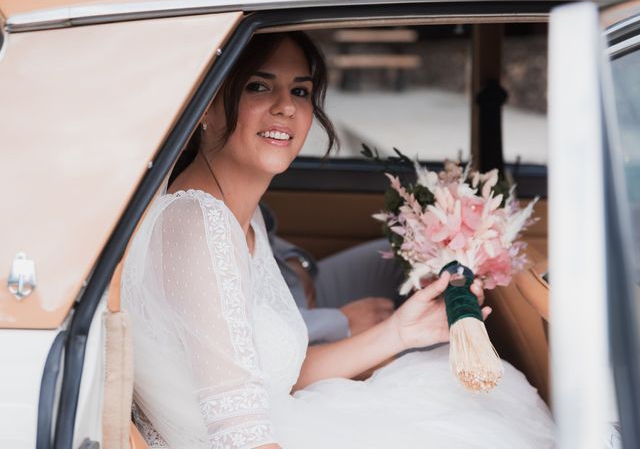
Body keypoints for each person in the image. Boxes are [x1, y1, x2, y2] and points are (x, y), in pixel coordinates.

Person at [122, 31, 554, 449]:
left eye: (301, 92)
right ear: (205, 105)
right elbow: (242, 436)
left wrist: (400, 333)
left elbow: (273, 380)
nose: (285, 107)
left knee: (473, 401)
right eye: (258, 86)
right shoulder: (197, 222)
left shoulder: (240, 214)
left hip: (287, 419)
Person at [261, 202, 403, 344]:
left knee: (399, 254)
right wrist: (343, 321)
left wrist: (291, 258)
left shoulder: (247, 204)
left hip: (289, 281)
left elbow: (259, 229)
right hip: (280, 330)